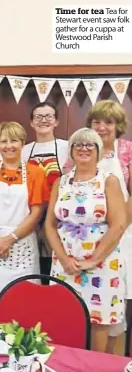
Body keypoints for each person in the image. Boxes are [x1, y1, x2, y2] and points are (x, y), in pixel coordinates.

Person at [44, 128, 126, 353]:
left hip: (101, 261)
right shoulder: (61, 182)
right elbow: (50, 224)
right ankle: (67, 366)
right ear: (70, 150)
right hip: (65, 261)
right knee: (66, 315)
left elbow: (118, 224)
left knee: (97, 319)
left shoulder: (108, 181)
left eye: (90, 144)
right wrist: (63, 258)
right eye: (78, 144)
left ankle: (94, 371)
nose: (84, 148)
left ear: (99, 151)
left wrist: (93, 261)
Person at [0, 122, 50, 328]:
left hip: (21, 244)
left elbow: (36, 212)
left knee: (22, 298)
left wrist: (10, 239)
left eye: (13, 140)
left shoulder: (36, 173)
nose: (9, 146)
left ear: (22, 143)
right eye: (4, 141)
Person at [84, 100, 132, 324]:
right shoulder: (82, 151)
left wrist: (118, 227)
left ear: (118, 125)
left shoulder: (127, 151)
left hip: (124, 235)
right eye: (96, 122)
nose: (102, 127)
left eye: (108, 122)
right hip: (87, 237)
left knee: (117, 298)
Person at [21, 102, 69, 277]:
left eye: (49, 116)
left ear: (56, 121)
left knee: (55, 255)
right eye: (38, 117)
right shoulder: (24, 151)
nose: (44, 120)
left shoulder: (68, 147)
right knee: (34, 257)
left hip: (58, 212)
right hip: (31, 212)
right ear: (32, 123)